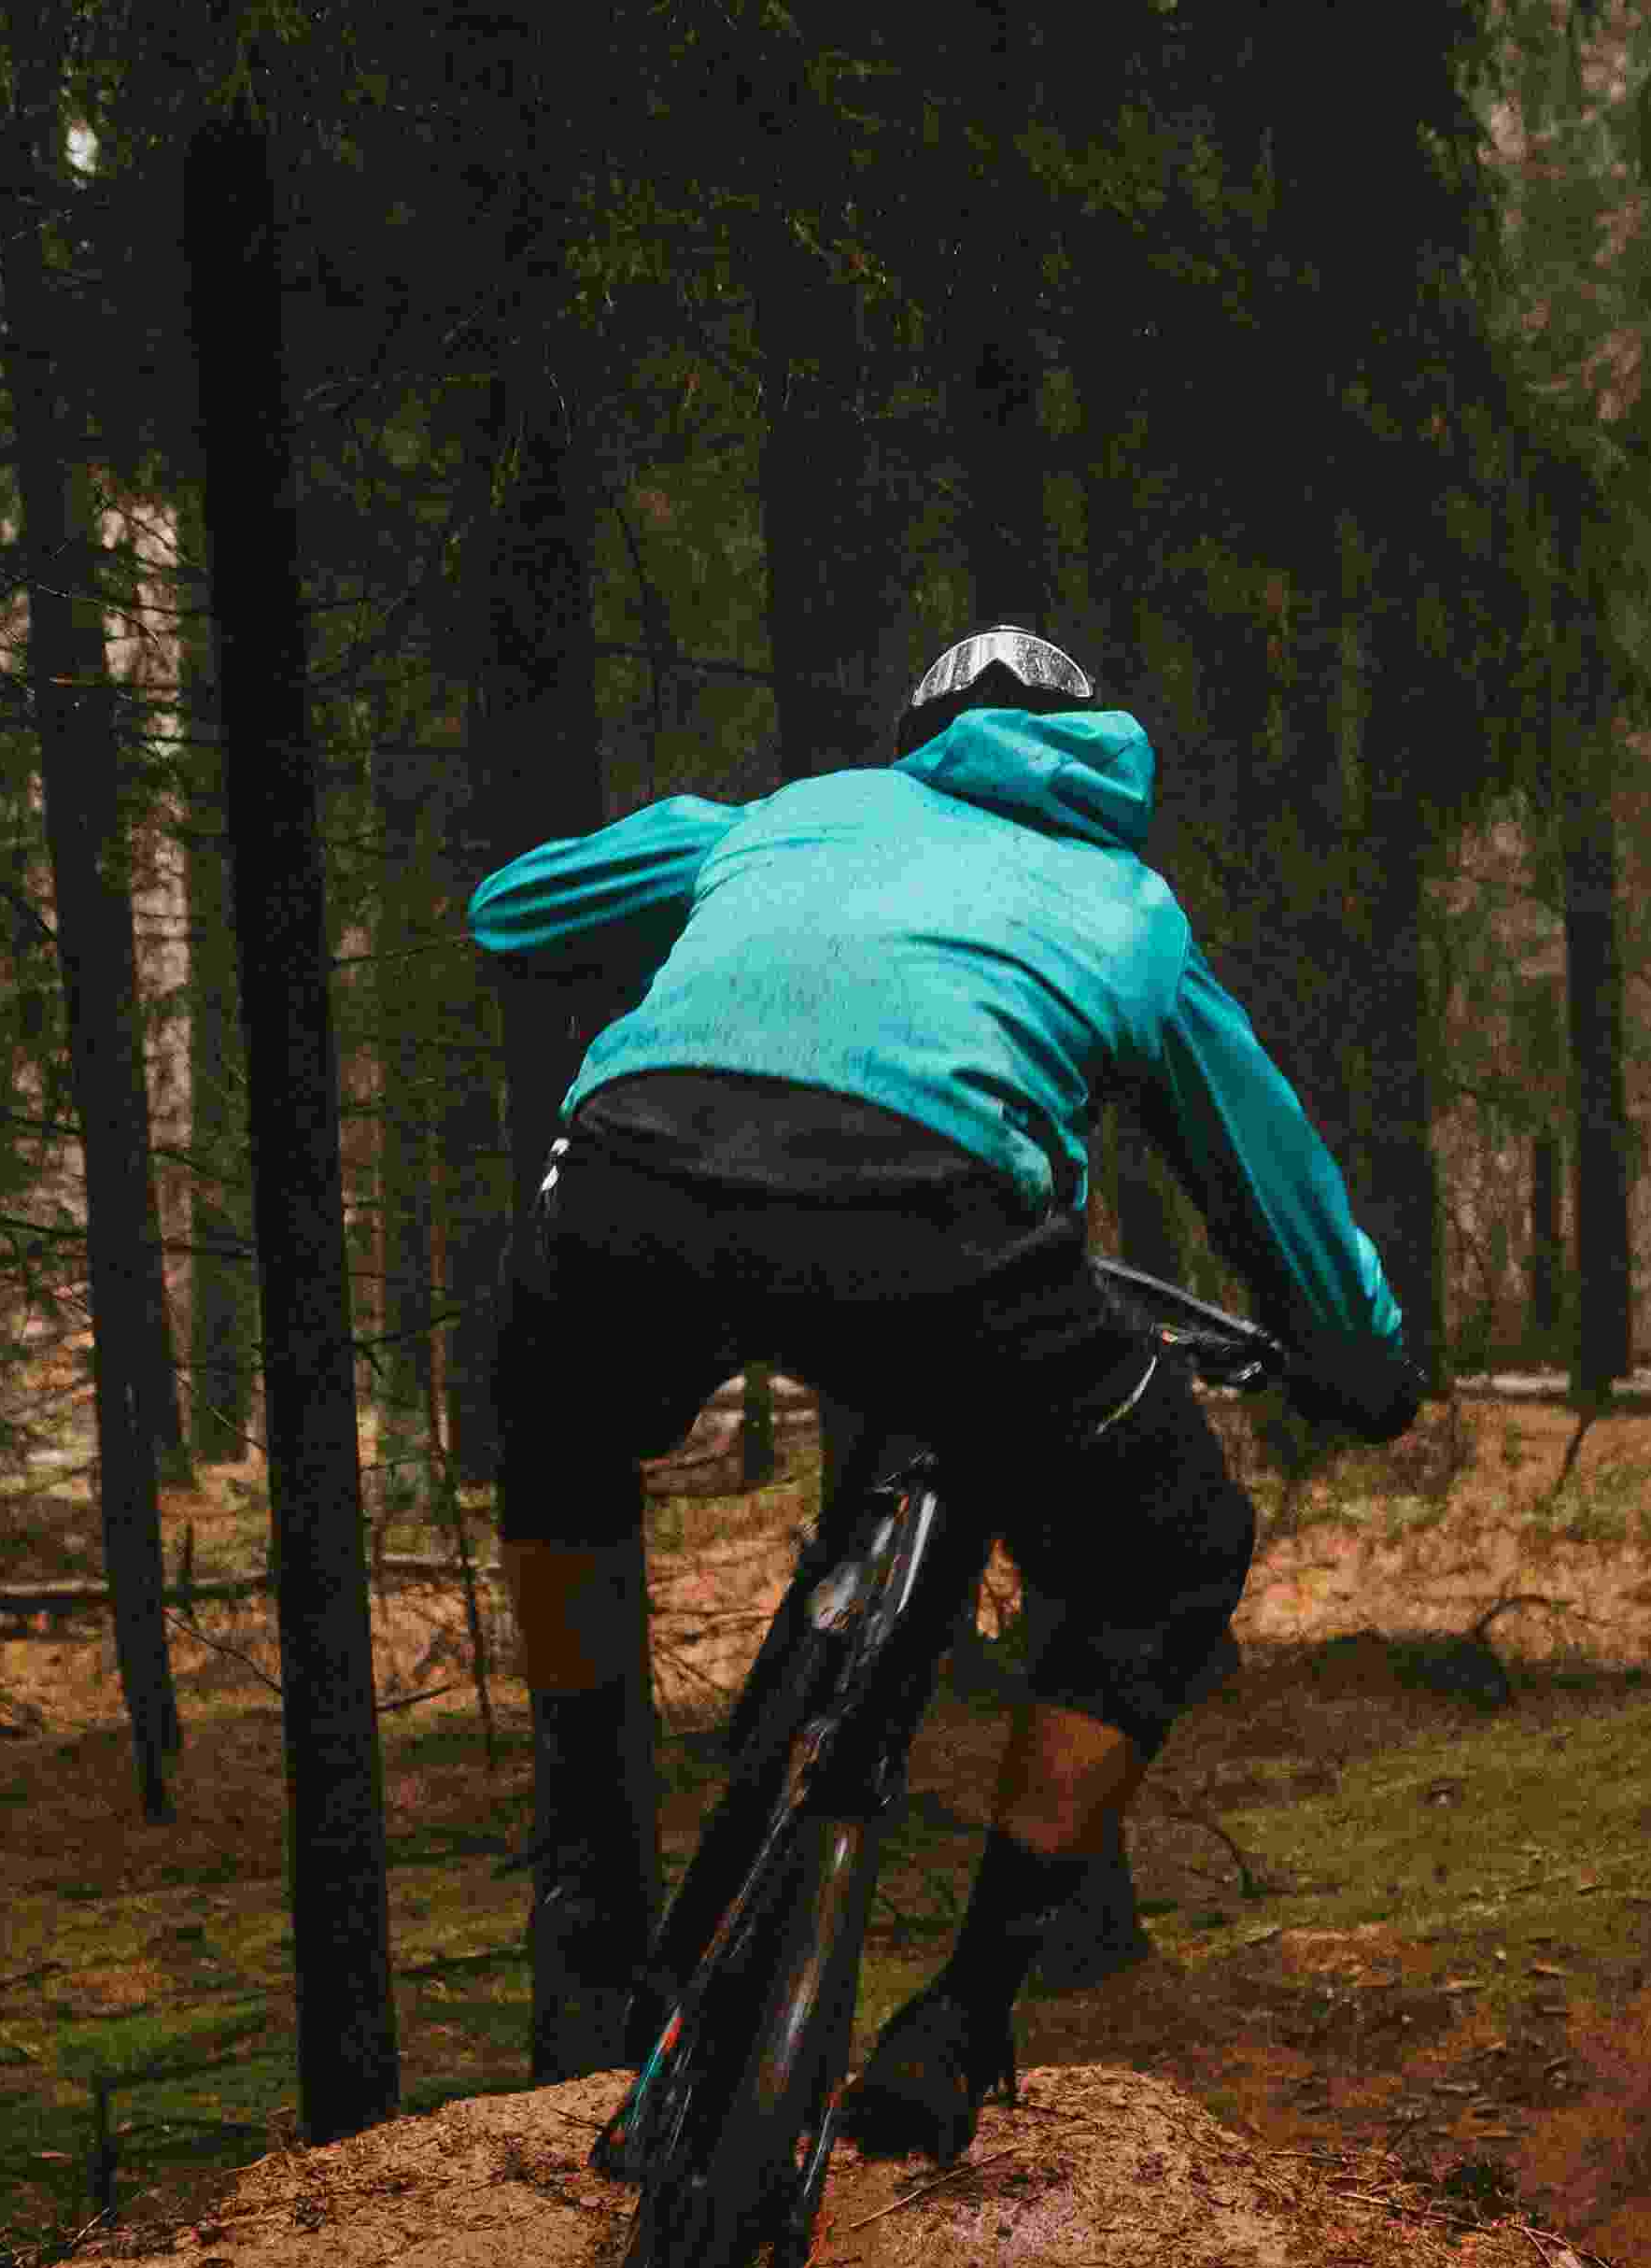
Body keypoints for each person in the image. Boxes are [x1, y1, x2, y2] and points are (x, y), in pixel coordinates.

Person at [466, 622, 1419, 2163]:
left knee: (563, 1439)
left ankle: (587, 1866)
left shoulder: (794, 816)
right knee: (1173, 1549)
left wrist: (715, 864)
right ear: (1098, 755)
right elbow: (1275, 1185)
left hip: (622, 1187)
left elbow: (512, 912)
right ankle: (968, 2011)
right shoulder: (1130, 907)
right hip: (934, 1231)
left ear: (918, 741)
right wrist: (1361, 1363)